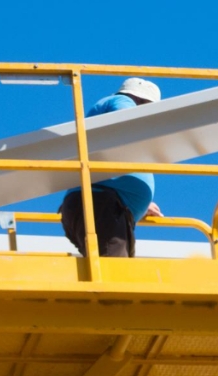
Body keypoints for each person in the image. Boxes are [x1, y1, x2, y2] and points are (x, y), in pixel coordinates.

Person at [59, 77, 162, 257]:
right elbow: (126, 120)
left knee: (113, 272)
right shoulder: (123, 101)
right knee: (113, 274)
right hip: (102, 205)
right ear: (143, 102)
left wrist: (139, 204)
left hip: (106, 207)